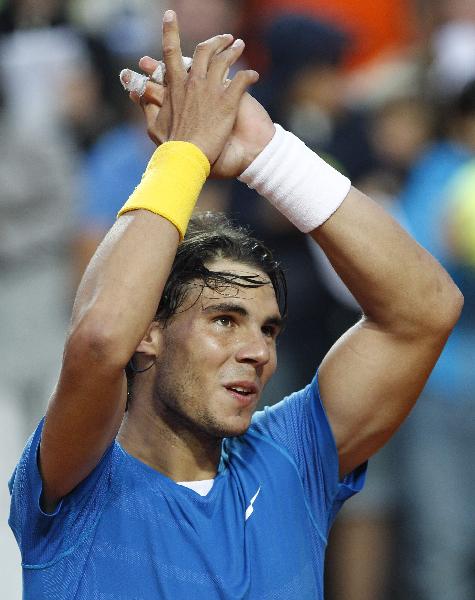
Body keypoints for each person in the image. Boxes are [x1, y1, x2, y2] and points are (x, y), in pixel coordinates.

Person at [8, 10, 463, 600]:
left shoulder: (292, 457)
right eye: (224, 320)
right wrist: (185, 153)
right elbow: (98, 341)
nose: (257, 352)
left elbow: (426, 309)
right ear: (149, 332)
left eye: (269, 330)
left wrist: (266, 154)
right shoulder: (78, 480)